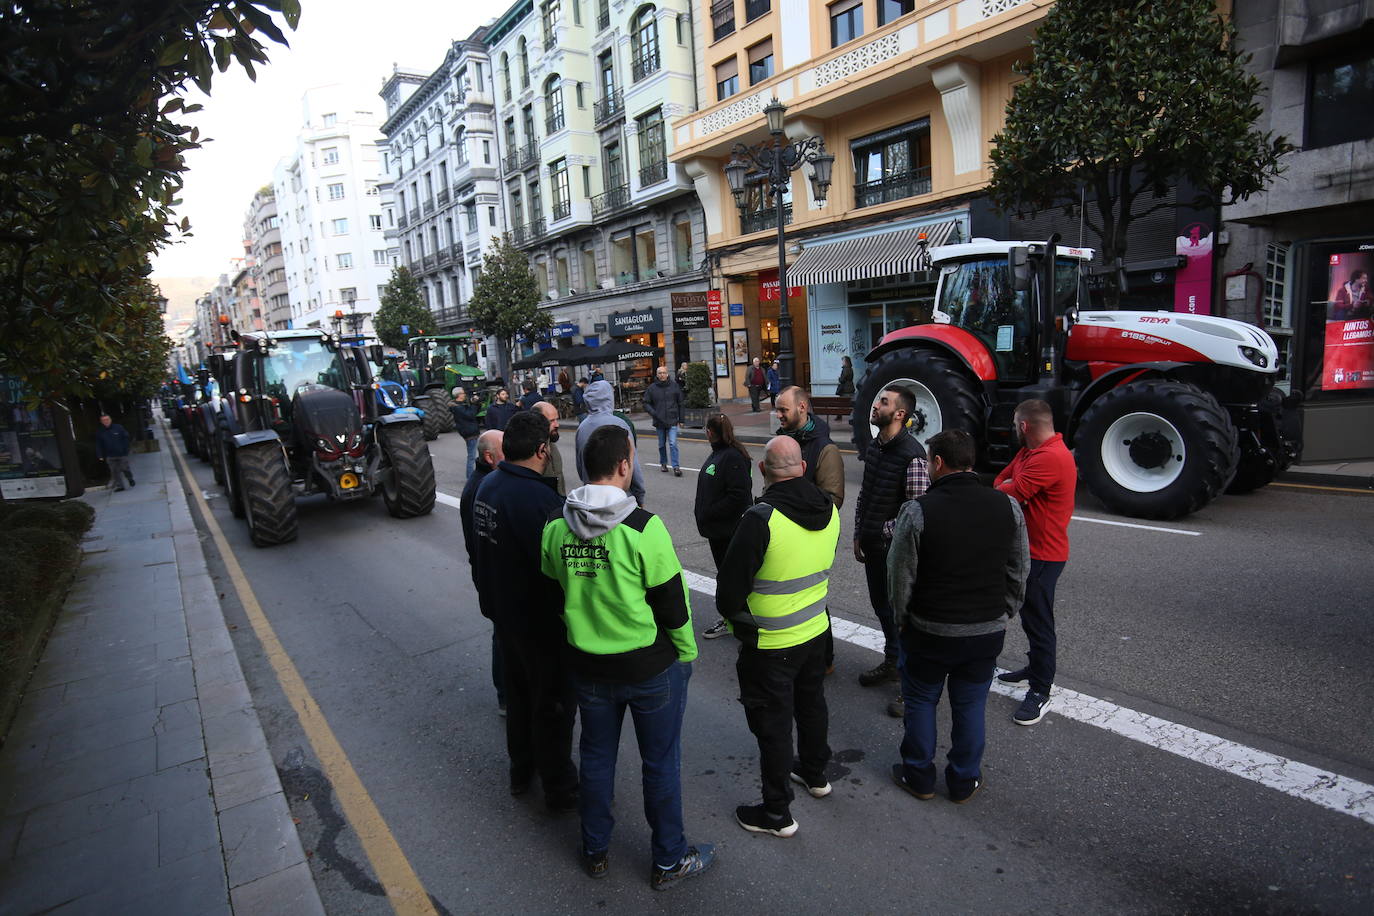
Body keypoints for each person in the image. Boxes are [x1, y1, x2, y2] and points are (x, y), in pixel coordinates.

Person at [541, 424, 715, 890]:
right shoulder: (644, 528)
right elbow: (673, 606)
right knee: (660, 763)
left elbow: (554, 590)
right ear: (625, 465)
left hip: (589, 668)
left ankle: (595, 850)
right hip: (649, 668)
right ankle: (668, 860)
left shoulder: (557, 528)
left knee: (596, 759)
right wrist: (687, 656)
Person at [887, 429, 1029, 804]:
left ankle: (919, 775)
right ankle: (964, 780)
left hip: (930, 630)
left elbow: (901, 576)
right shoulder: (1006, 506)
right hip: (985, 631)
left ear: (937, 462)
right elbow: (1019, 567)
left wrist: (902, 619)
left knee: (920, 701)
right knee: (970, 705)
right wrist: (1006, 609)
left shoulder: (918, 510)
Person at [716, 436, 841, 838]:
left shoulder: (761, 518)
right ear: (803, 467)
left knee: (772, 725)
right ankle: (816, 773)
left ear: (763, 471)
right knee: (812, 704)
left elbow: (728, 594)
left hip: (771, 643)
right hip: (816, 629)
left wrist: (739, 620)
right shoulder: (831, 510)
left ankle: (776, 812)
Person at [472, 412, 579, 811]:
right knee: (552, 707)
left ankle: (521, 772)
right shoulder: (540, 500)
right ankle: (560, 788)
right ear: (541, 450)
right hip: (539, 625)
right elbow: (558, 569)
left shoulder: (488, 486)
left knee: (518, 700)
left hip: (504, 616)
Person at [993, 399, 1077, 726]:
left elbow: (1008, 492)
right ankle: (1034, 668)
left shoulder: (1050, 457)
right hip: (1030, 551)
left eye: (1016, 424)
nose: (1015, 429)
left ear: (1024, 426)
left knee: (1040, 623)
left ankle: (1041, 690)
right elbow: (1003, 479)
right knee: (1030, 617)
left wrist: (1010, 487)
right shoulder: (1030, 452)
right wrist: (1010, 485)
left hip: (1043, 555)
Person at [853, 387, 930, 708]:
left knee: (903, 617)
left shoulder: (911, 454)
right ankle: (892, 663)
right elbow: (865, 495)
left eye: (883, 402)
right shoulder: (875, 447)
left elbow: (916, 512)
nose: (875, 405)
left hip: (894, 550)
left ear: (900, 414)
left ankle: (910, 684)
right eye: (878, 400)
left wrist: (881, 532)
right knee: (883, 609)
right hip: (872, 546)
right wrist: (859, 532)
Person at [694, 414, 753, 640]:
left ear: (710, 431)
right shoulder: (720, 453)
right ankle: (734, 618)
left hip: (727, 531)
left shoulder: (732, 456)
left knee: (731, 578)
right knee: (727, 576)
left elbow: (740, 496)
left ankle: (738, 621)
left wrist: (710, 512)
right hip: (717, 531)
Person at [460, 430, 506, 715]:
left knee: (502, 635)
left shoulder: (483, 482)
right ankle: (506, 695)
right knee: (502, 637)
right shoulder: (484, 488)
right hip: (494, 577)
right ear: (489, 457)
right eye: (505, 451)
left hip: (489, 575)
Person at [575, 380, 646, 506]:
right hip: (620, 499)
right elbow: (632, 465)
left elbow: (580, 467)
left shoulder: (582, 427)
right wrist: (639, 495)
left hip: (592, 498)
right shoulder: (619, 424)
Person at [775, 386, 844, 507]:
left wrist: (791, 512)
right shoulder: (779, 442)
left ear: (802, 407)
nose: (778, 415)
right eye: (777, 410)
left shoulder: (826, 449)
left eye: (783, 410)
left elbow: (833, 499)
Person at [644, 365, 685, 477]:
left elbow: (681, 403)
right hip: (659, 420)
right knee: (662, 444)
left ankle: (676, 467)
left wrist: (681, 419)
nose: (662, 375)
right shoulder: (652, 388)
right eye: (660, 373)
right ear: (657, 375)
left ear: (667, 374)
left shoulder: (675, 386)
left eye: (664, 373)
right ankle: (663, 463)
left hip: (672, 419)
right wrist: (654, 413)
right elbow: (646, 403)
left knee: (672, 443)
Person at [534, 400, 566, 496]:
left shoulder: (551, 444)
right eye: (551, 421)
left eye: (557, 419)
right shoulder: (531, 451)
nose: (557, 425)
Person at [95, 413, 135, 490]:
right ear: (101, 422)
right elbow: (99, 444)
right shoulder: (100, 432)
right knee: (114, 472)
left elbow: (125, 438)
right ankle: (120, 486)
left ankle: (130, 478)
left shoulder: (118, 428)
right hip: (110, 455)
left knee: (125, 468)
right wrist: (100, 455)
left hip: (121, 453)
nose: (106, 421)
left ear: (110, 420)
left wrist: (125, 449)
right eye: (104, 420)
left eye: (107, 419)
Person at [450, 386, 481, 477]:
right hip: (470, 432)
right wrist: (473, 404)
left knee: (473, 455)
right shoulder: (458, 407)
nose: (464, 395)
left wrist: (476, 403)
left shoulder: (459, 405)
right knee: (472, 456)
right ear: (459, 395)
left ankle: (472, 475)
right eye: (463, 393)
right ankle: (470, 476)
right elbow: (470, 415)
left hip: (469, 431)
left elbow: (474, 413)